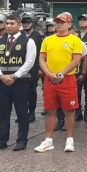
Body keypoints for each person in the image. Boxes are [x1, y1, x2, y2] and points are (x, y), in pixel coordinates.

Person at [34, 13, 83, 153]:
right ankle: (48, 140)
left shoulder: (75, 40)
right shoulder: (47, 40)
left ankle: (70, 140)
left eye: (62, 22)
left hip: (67, 79)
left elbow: (76, 60)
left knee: (69, 110)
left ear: (69, 24)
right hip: (50, 79)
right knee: (50, 110)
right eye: (57, 22)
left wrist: (62, 74)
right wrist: (49, 74)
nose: (59, 24)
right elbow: (42, 59)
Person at [0, 14, 37, 151]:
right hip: (2, 82)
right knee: (2, 112)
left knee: (22, 112)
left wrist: (15, 76)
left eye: (12, 23)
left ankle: (21, 140)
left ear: (19, 25)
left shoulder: (28, 42)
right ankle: (2, 140)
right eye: (7, 23)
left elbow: (29, 62)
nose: (9, 26)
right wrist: (0, 76)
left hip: (20, 83)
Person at [20, 12, 43, 124]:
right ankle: (22, 113)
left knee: (31, 91)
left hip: (33, 68)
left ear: (33, 23)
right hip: (19, 67)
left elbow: (41, 54)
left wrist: (40, 68)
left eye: (28, 22)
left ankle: (31, 113)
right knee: (20, 92)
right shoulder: (19, 35)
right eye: (24, 22)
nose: (26, 24)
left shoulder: (38, 37)